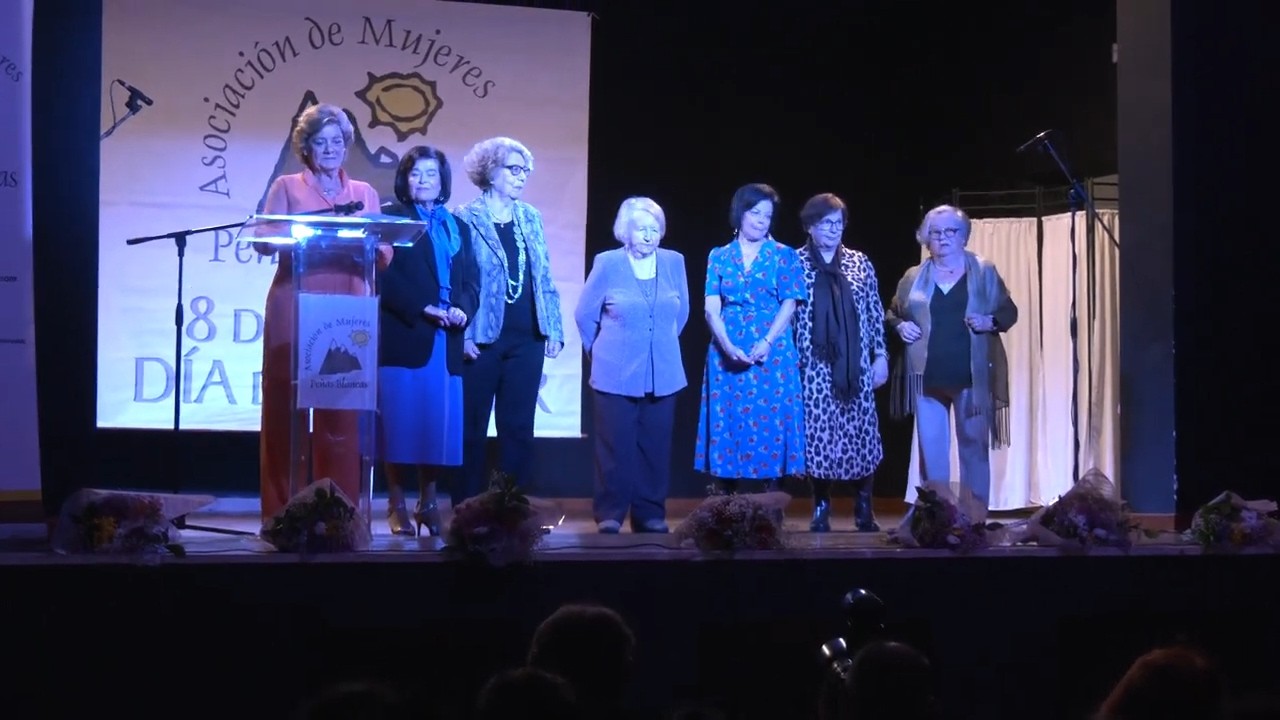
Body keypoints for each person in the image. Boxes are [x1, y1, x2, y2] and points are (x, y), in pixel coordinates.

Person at [253, 103, 387, 523]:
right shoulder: (287, 186)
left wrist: (360, 242)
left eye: (336, 141)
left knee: (342, 412)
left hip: (347, 306)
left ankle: (340, 513)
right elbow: (263, 240)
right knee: (287, 410)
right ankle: (283, 513)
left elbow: (384, 250)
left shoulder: (364, 193)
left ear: (346, 146)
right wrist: (307, 237)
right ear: (305, 147)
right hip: (296, 303)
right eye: (319, 141)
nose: (329, 149)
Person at [885, 204, 1017, 520]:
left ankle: (974, 519)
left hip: (971, 375)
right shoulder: (913, 277)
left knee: (973, 448)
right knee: (932, 456)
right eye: (935, 232)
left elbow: (1008, 311)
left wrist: (991, 321)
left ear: (964, 236)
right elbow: (893, 313)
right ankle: (938, 518)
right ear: (925, 239)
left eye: (950, 231)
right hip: (927, 376)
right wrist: (900, 326)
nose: (943, 238)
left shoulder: (983, 271)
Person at [452, 136, 564, 503]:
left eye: (525, 171)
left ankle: (510, 508)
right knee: (472, 427)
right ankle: (467, 507)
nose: (521, 177)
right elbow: (460, 281)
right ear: (490, 172)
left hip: (527, 336)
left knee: (517, 427)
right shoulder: (464, 219)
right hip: (482, 337)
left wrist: (553, 327)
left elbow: (543, 274)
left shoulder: (530, 217)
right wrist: (463, 334)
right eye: (514, 170)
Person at [377, 146, 479, 536]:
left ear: (443, 181)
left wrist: (463, 310)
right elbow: (382, 276)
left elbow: (472, 281)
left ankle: (429, 502)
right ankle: (396, 504)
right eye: (416, 174)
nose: (423, 181)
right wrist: (422, 307)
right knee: (400, 425)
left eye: (431, 174)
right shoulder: (390, 219)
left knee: (436, 425)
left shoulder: (458, 227)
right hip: (406, 333)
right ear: (405, 179)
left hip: (446, 340)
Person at [575, 197, 690, 534]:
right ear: (625, 231)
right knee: (615, 446)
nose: (649, 235)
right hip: (614, 369)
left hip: (664, 371)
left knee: (655, 446)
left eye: (655, 229)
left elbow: (680, 312)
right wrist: (598, 353)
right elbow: (585, 314)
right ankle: (610, 512)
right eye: (641, 229)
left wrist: (659, 343)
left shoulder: (674, 262)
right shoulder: (608, 262)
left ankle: (650, 513)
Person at [695, 183, 806, 493]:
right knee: (727, 425)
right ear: (739, 213)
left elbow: (790, 302)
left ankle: (771, 511)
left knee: (770, 427)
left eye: (767, 216)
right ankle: (725, 507)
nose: (760, 220)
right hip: (726, 352)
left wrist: (767, 341)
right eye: (755, 213)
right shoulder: (719, 255)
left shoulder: (784, 255)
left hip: (772, 353)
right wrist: (727, 346)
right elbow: (711, 307)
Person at [794, 194, 889, 533]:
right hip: (813, 367)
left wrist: (881, 356)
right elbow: (788, 318)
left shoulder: (859, 262)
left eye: (838, 223)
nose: (833, 230)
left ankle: (864, 506)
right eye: (825, 223)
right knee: (818, 437)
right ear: (810, 226)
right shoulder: (794, 263)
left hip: (856, 366)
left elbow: (874, 311)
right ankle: (821, 506)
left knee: (861, 434)